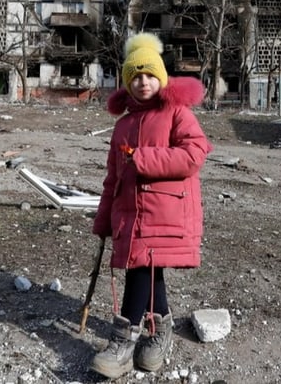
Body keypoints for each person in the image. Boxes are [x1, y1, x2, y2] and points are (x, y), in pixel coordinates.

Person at [89, 32, 212, 379]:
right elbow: (112, 178)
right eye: (135, 76)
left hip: (165, 213)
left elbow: (194, 154)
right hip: (131, 216)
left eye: (150, 75)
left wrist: (142, 158)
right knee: (148, 267)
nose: (143, 82)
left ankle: (123, 343)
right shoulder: (123, 125)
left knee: (140, 269)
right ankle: (159, 334)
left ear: (161, 77)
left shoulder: (176, 113)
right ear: (127, 82)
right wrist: (103, 219)